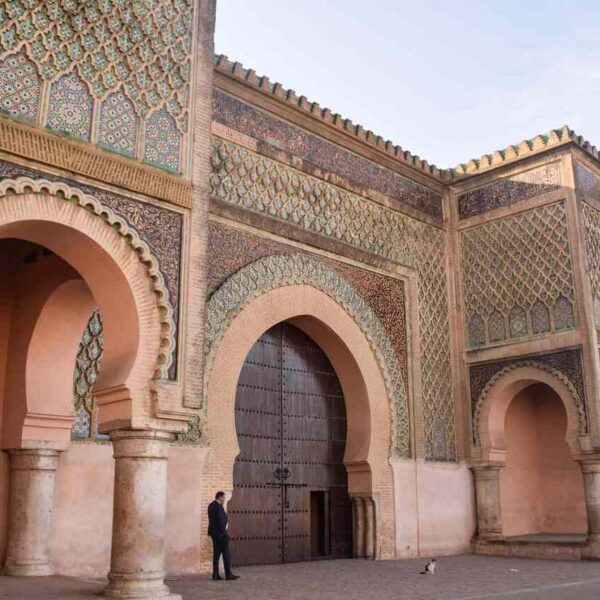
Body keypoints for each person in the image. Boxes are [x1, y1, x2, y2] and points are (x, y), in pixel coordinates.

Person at [207, 491, 239, 581]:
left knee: (216, 555)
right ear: (219, 497)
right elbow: (220, 521)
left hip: (214, 534)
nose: (224, 499)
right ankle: (228, 574)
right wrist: (224, 533)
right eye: (223, 497)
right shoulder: (218, 506)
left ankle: (215, 575)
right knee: (226, 554)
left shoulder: (211, 505)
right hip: (220, 534)